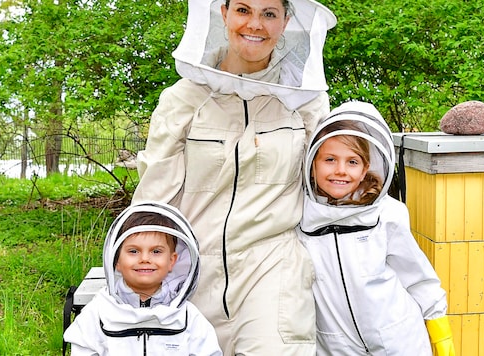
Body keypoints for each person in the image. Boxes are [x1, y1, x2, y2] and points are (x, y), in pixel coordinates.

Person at [131, 0, 337, 354]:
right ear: (223, 13)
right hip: (191, 274)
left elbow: (331, 183)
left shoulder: (306, 103)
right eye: (243, 10)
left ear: (286, 21)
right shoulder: (182, 99)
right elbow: (154, 198)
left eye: (269, 13)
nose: (255, 24)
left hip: (274, 271)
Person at [297, 101, 456, 356]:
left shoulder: (386, 214)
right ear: (312, 165)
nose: (340, 170)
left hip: (400, 341)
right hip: (336, 347)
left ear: (364, 170)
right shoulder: (299, 216)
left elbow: (417, 275)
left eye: (352, 162)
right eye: (329, 159)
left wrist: (440, 329)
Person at [63, 201, 222, 355]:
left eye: (156, 251)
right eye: (133, 251)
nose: (145, 258)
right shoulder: (97, 314)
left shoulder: (189, 317)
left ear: (172, 261)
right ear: (116, 260)